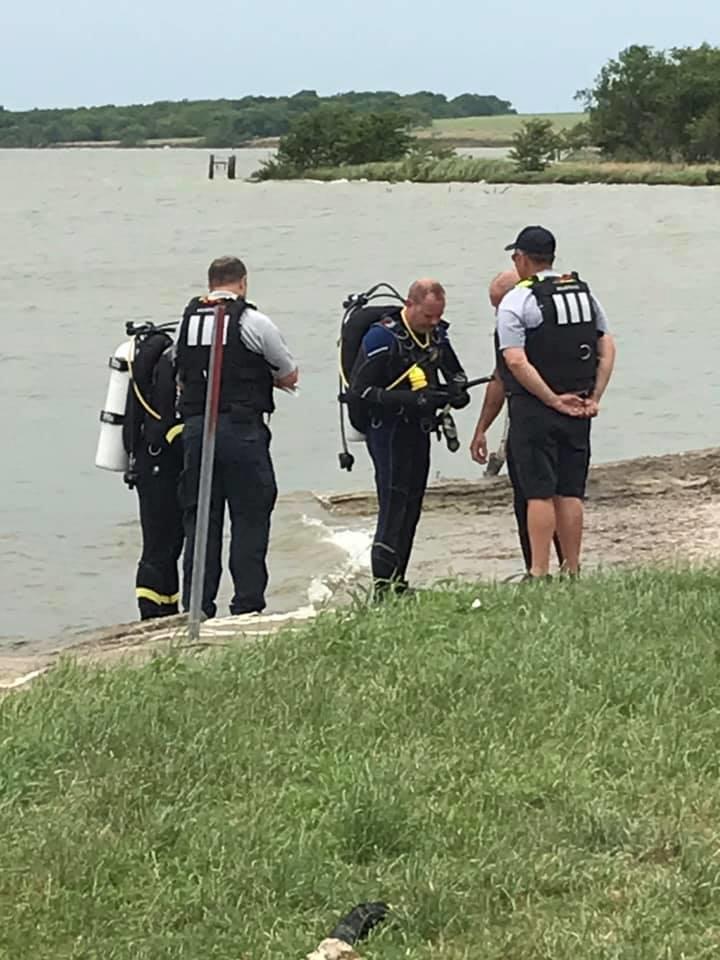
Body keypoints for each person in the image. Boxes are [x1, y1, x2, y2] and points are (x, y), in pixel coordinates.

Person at [175, 256, 298, 618]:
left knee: (200, 519)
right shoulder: (253, 321)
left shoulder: (187, 323)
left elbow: (180, 373)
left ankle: (196, 607)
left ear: (210, 283)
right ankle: (246, 606)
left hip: (197, 431)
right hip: (242, 430)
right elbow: (289, 374)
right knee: (250, 517)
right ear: (242, 283)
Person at [493, 225, 616, 578]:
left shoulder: (517, 300)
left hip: (536, 409)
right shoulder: (583, 294)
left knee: (539, 493)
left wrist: (550, 399)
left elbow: (514, 360)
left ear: (522, 258)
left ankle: (538, 571)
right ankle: (573, 569)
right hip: (579, 405)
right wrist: (594, 395)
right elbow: (606, 345)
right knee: (570, 491)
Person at [346, 279, 470, 597]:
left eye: (437, 316)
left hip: (420, 428)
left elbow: (455, 371)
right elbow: (360, 391)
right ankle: (382, 589)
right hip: (387, 430)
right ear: (410, 305)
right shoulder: (383, 337)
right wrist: (409, 401)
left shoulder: (436, 334)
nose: (432, 323)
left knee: (413, 503)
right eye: (427, 316)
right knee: (393, 504)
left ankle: (400, 582)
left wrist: (457, 391)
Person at [470, 269, 564, 573]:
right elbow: (499, 379)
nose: (498, 313)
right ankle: (560, 566)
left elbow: (505, 375)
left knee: (535, 494)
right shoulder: (555, 316)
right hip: (564, 412)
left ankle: (543, 569)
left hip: (532, 416)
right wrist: (482, 427)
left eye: (499, 305)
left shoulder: (517, 322)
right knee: (556, 492)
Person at [123, 325, 184, 619]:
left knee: (168, 541)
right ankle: (150, 612)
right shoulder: (168, 365)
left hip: (149, 463)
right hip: (159, 463)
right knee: (160, 543)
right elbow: (166, 423)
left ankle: (167, 609)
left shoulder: (159, 362)